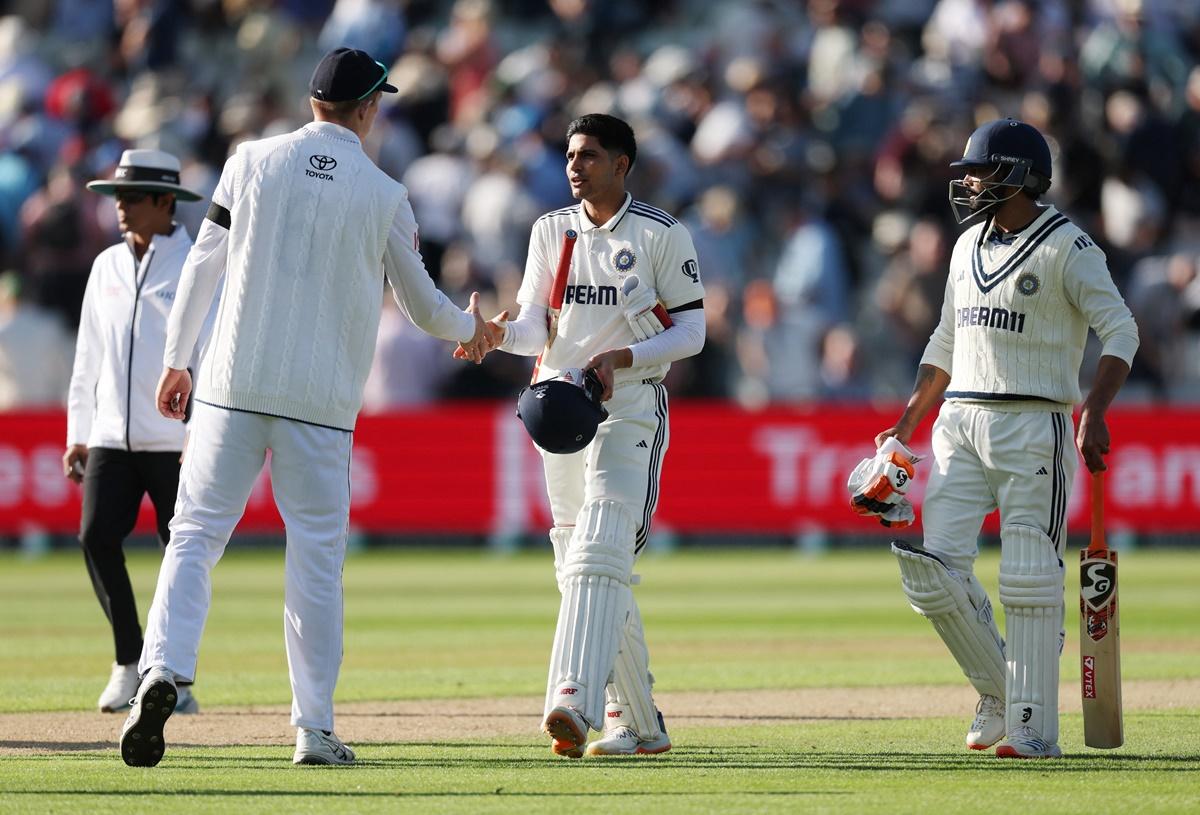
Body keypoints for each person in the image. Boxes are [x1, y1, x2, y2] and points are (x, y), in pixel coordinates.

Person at [118, 47, 486, 768]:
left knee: (193, 536)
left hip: (231, 384)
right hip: (320, 404)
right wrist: (479, 331)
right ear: (369, 108)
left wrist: (175, 359)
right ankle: (313, 727)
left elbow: (203, 262)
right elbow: (423, 309)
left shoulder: (249, 161)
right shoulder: (383, 193)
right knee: (315, 561)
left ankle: (161, 669)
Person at [874, 119, 1139, 758]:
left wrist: (1095, 410)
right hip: (959, 423)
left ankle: (1031, 728)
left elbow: (1121, 332)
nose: (966, 182)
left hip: (1035, 423)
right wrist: (907, 425)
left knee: (1027, 577)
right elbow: (945, 341)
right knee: (931, 573)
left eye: (980, 170)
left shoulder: (1069, 247)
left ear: (1019, 174)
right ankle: (1002, 690)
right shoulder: (965, 246)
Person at [473, 113, 706, 757]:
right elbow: (533, 328)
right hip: (559, 409)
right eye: (571, 155)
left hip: (630, 406)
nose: (575, 166)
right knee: (576, 561)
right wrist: (498, 336)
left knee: (602, 546)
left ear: (622, 164)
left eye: (591, 156)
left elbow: (692, 333)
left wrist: (621, 359)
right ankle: (639, 722)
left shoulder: (662, 234)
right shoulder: (552, 230)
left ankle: (571, 700)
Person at [65, 149, 209, 716]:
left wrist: (201, 428)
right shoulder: (105, 266)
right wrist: (79, 431)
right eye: (116, 198)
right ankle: (130, 661)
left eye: (131, 197)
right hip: (110, 437)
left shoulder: (197, 261)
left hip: (176, 440)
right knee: (96, 537)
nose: (120, 207)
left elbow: (208, 354)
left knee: (181, 555)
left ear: (164, 201)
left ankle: (173, 675)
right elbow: (87, 358)